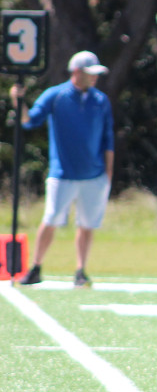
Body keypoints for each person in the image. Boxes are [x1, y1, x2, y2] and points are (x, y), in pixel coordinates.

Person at [8, 51, 115, 287]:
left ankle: (80, 270)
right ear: (77, 72)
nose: (95, 78)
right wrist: (18, 101)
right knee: (51, 219)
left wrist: (108, 173)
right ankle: (36, 267)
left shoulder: (100, 100)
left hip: (94, 175)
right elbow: (29, 121)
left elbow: (109, 139)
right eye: (90, 74)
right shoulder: (55, 95)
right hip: (62, 174)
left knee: (87, 225)